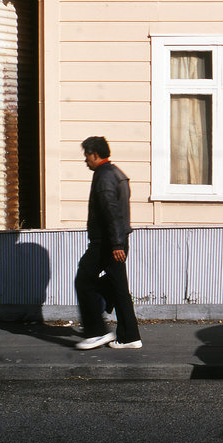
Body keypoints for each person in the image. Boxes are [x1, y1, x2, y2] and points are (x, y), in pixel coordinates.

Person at [74, 136, 142, 350]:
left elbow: (111, 212)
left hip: (106, 243)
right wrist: (120, 242)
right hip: (117, 240)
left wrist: (115, 245)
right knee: (119, 286)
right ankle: (130, 336)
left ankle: (96, 332)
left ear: (95, 154)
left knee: (84, 279)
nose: (85, 161)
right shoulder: (117, 173)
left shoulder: (103, 177)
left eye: (86, 156)